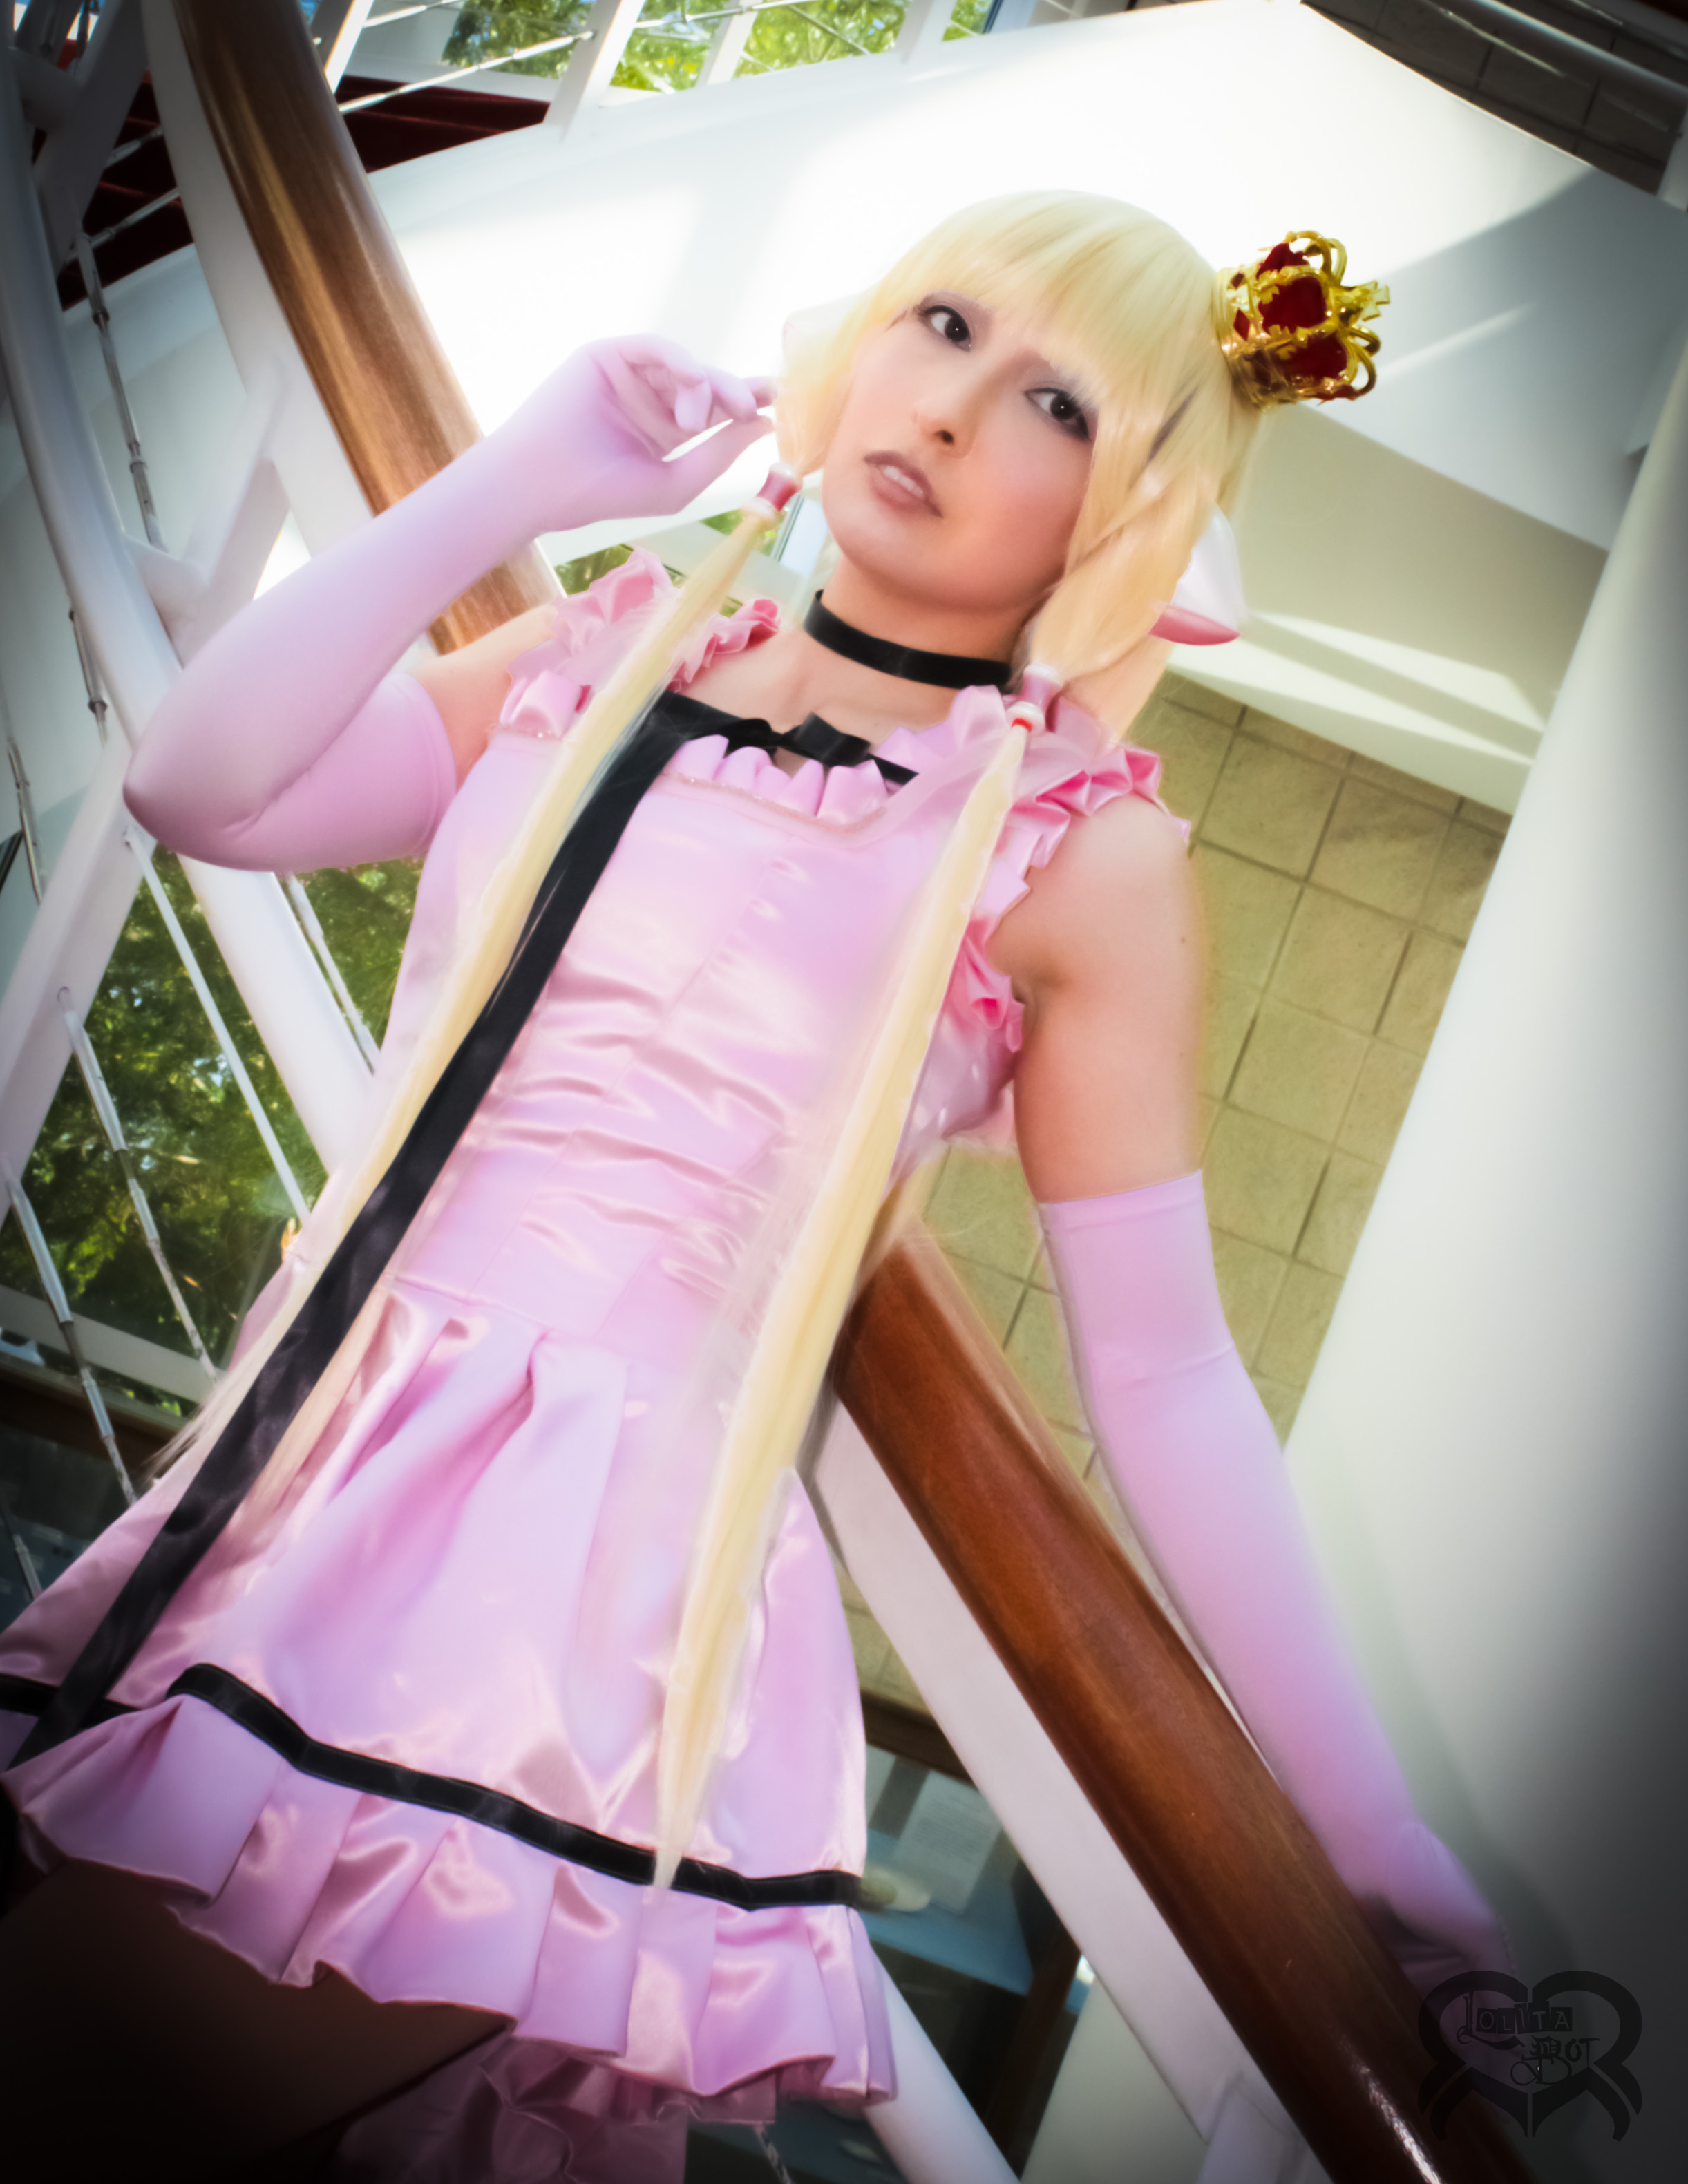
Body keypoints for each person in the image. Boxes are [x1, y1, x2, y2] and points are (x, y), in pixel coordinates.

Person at [0, 194, 1502, 2183]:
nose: (952, 406)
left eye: (1055, 401)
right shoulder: (617, 639)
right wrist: (522, 473)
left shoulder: (1076, 854)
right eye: (942, 322)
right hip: (306, 1472)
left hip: (565, 1618)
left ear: (1125, 513)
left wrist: (1372, 1836)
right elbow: (203, 783)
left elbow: (1163, 1373)